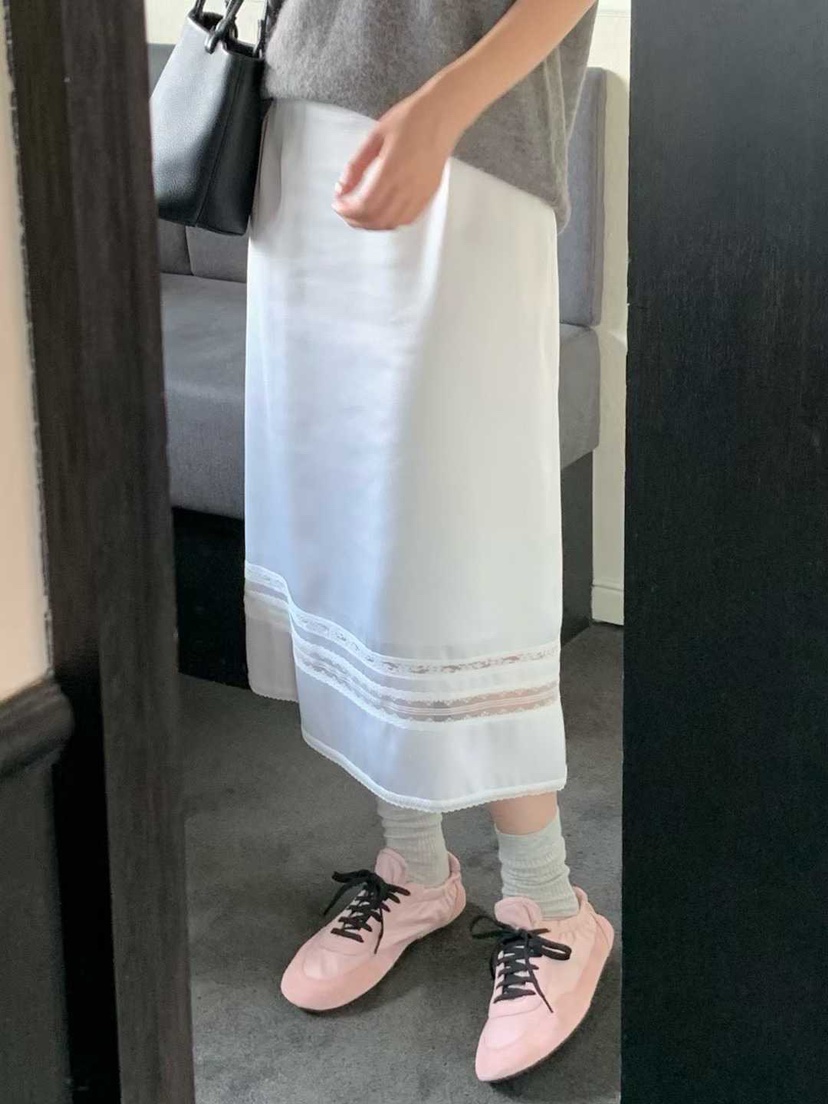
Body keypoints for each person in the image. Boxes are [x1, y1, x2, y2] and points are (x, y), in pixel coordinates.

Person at [244, 0, 612, 1082]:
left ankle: (549, 901)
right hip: (299, 130)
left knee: (464, 535)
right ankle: (414, 867)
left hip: (472, 136)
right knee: (355, 528)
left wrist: (446, 104)